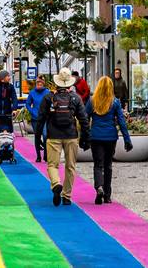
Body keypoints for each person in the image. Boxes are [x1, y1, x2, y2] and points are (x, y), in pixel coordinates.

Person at [38, 67, 89, 207]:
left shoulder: (49, 97)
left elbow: (40, 118)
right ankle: (67, 196)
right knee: (70, 166)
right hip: (71, 135)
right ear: (70, 84)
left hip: (53, 135)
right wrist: (86, 137)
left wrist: (38, 137)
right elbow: (84, 119)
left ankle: (56, 184)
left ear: (57, 82)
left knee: (52, 164)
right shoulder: (75, 98)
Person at [86, 75, 132, 205]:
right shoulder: (115, 102)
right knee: (108, 165)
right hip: (111, 137)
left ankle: (98, 187)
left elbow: (84, 117)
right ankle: (107, 195)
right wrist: (127, 139)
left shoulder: (92, 101)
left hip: (96, 136)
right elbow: (122, 122)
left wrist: (85, 135)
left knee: (98, 164)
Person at [25, 76, 49, 162]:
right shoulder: (32, 93)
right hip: (35, 118)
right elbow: (27, 104)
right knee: (37, 136)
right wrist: (32, 111)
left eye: (41, 83)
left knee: (46, 135)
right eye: (38, 83)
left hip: (45, 118)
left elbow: (51, 103)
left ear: (43, 83)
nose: (39, 85)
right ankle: (38, 156)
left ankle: (46, 155)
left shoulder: (47, 92)